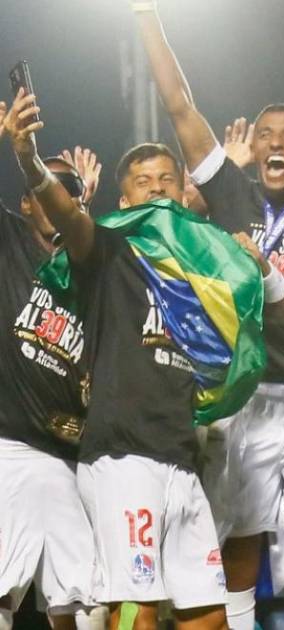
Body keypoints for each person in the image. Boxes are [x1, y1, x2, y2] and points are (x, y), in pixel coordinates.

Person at [6, 84, 284, 629]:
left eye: (167, 179)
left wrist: (261, 267)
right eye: (143, 181)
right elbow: (69, 218)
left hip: (182, 458)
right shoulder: (109, 252)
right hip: (123, 459)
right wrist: (29, 160)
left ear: (184, 193)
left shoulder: (205, 270)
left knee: (209, 617)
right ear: (123, 203)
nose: (157, 187)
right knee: (135, 614)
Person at [132, 2, 284, 625]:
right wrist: (145, 15)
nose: (275, 142)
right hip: (245, 396)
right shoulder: (232, 193)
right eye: (267, 132)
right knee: (238, 545)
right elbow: (179, 107)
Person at [0, 105, 101, 629]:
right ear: (26, 201)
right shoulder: (9, 242)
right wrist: (15, 149)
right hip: (9, 450)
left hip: (72, 461)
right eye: (45, 185)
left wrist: (81, 210)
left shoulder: (95, 266)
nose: (57, 193)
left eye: (70, 188)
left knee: (87, 608)